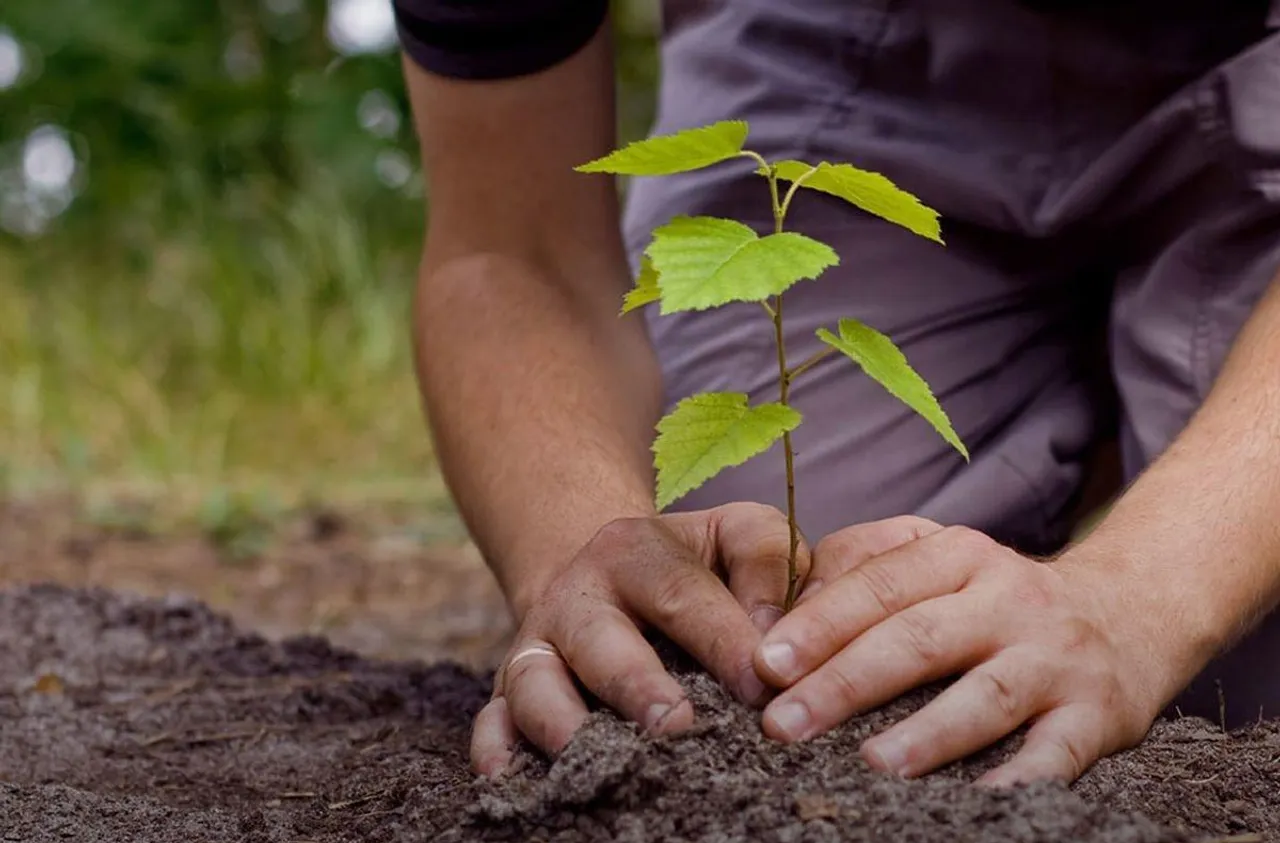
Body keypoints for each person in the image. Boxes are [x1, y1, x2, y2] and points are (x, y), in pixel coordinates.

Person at [393, 0, 1280, 786]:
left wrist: (1141, 593)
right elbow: (509, 249)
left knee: (1242, 660)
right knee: (760, 606)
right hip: (846, 40)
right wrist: (578, 551)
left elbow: (1162, 603)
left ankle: (1131, 413)